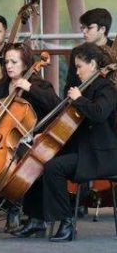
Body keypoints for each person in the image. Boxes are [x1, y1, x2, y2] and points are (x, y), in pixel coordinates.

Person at [13, 42, 117, 241]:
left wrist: (79, 99)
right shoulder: (84, 89)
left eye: (79, 66)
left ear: (93, 65)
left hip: (101, 155)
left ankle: (67, 222)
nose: (76, 72)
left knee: (54, 168)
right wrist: (44, 135)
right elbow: (66, 122)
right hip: (84, 151)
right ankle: (37, 218)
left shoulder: (107, 88)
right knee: (40, 158)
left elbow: (99, 113)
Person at [0, 42, 60, 232]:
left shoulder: (39, 85)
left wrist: (30, 88)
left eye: (14, 62)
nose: (9, 66)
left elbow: (56, 105)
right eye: (6, 62)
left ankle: (18, 212)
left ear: (25, 64)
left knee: (20, 162)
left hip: (28, 140)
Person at [64, 8, 113, 95]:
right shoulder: (77, 52)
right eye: (83, 27)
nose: (84, 31)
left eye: (89, 28)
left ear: (102, 29)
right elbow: (71, 83)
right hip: (83, 100)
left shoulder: (114, 48)